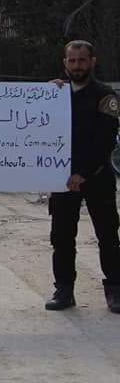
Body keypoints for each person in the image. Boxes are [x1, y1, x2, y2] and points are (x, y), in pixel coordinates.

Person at [45, 40, 120, 313]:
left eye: (82, 60)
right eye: (72, 61)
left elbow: (105, 141)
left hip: (96, 178)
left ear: (92, 61)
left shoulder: (105, 95)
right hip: (62, 178)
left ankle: (115, 290)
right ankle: (63, 290)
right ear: (65, 63)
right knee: (62, 237)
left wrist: (83, 173)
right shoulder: (55, 93)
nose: (77, 66)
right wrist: (46, 95)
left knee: (108, 235)